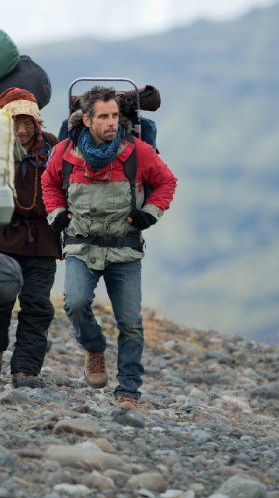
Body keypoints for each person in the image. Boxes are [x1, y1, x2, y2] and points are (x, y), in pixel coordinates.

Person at [42, 85, 177, 408]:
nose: (112, 122)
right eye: (103, 116)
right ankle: (94, 347)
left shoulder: (138, 152)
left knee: (130, 321)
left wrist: (149, 215)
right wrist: (57, 213)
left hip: (124, 249)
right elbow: (49, 182)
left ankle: (128, 389)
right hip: (81, 246)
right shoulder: (65, 152)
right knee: (74, 303)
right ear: (86, 120)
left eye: (115, 115)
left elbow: (167, 181)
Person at [0, 87, 61, 387]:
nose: (23, 129)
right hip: (1, 234)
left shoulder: (52, 147)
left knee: (37, 303)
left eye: (29, 122)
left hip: (43, 237)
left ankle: (26, 369)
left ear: (37, 122)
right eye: (16, 122)